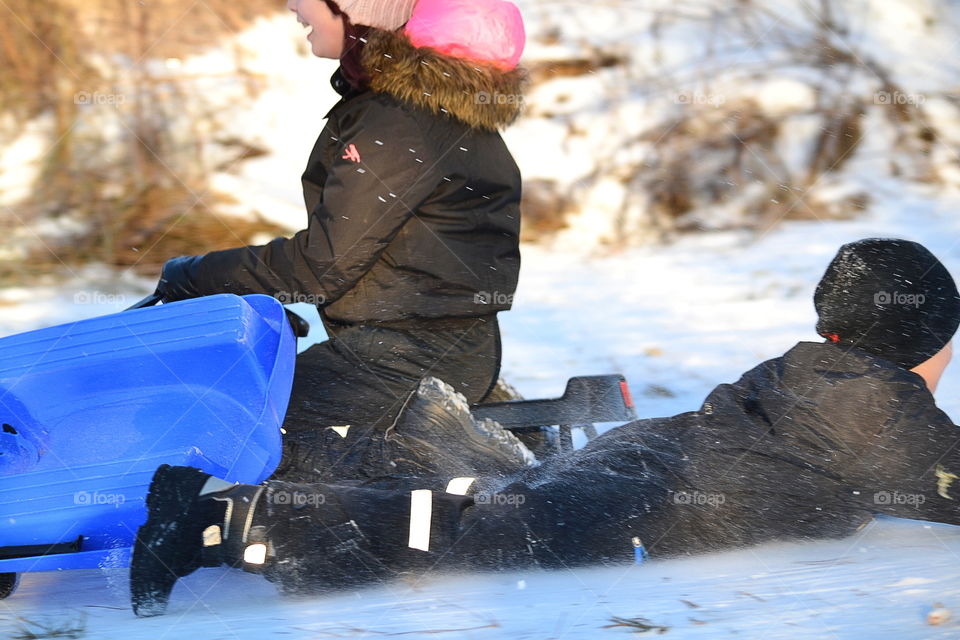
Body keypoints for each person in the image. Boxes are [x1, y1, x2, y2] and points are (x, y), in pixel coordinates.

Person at [131, 238, 960, 617]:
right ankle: (220, 521)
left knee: (491, 490)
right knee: (478, 529)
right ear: (925, 342)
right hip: (655, 499)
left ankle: (321, 460)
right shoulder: (880, 409)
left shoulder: (814, 369)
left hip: (653, 457)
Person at [151, 0, 529, 482]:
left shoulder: (397, 122)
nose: (295, 6)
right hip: (425, 348)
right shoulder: (424, 114)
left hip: (404, 357)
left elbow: (322, 266)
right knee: (244, 411)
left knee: (233, 432)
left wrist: (195, 276)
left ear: (360, 14)